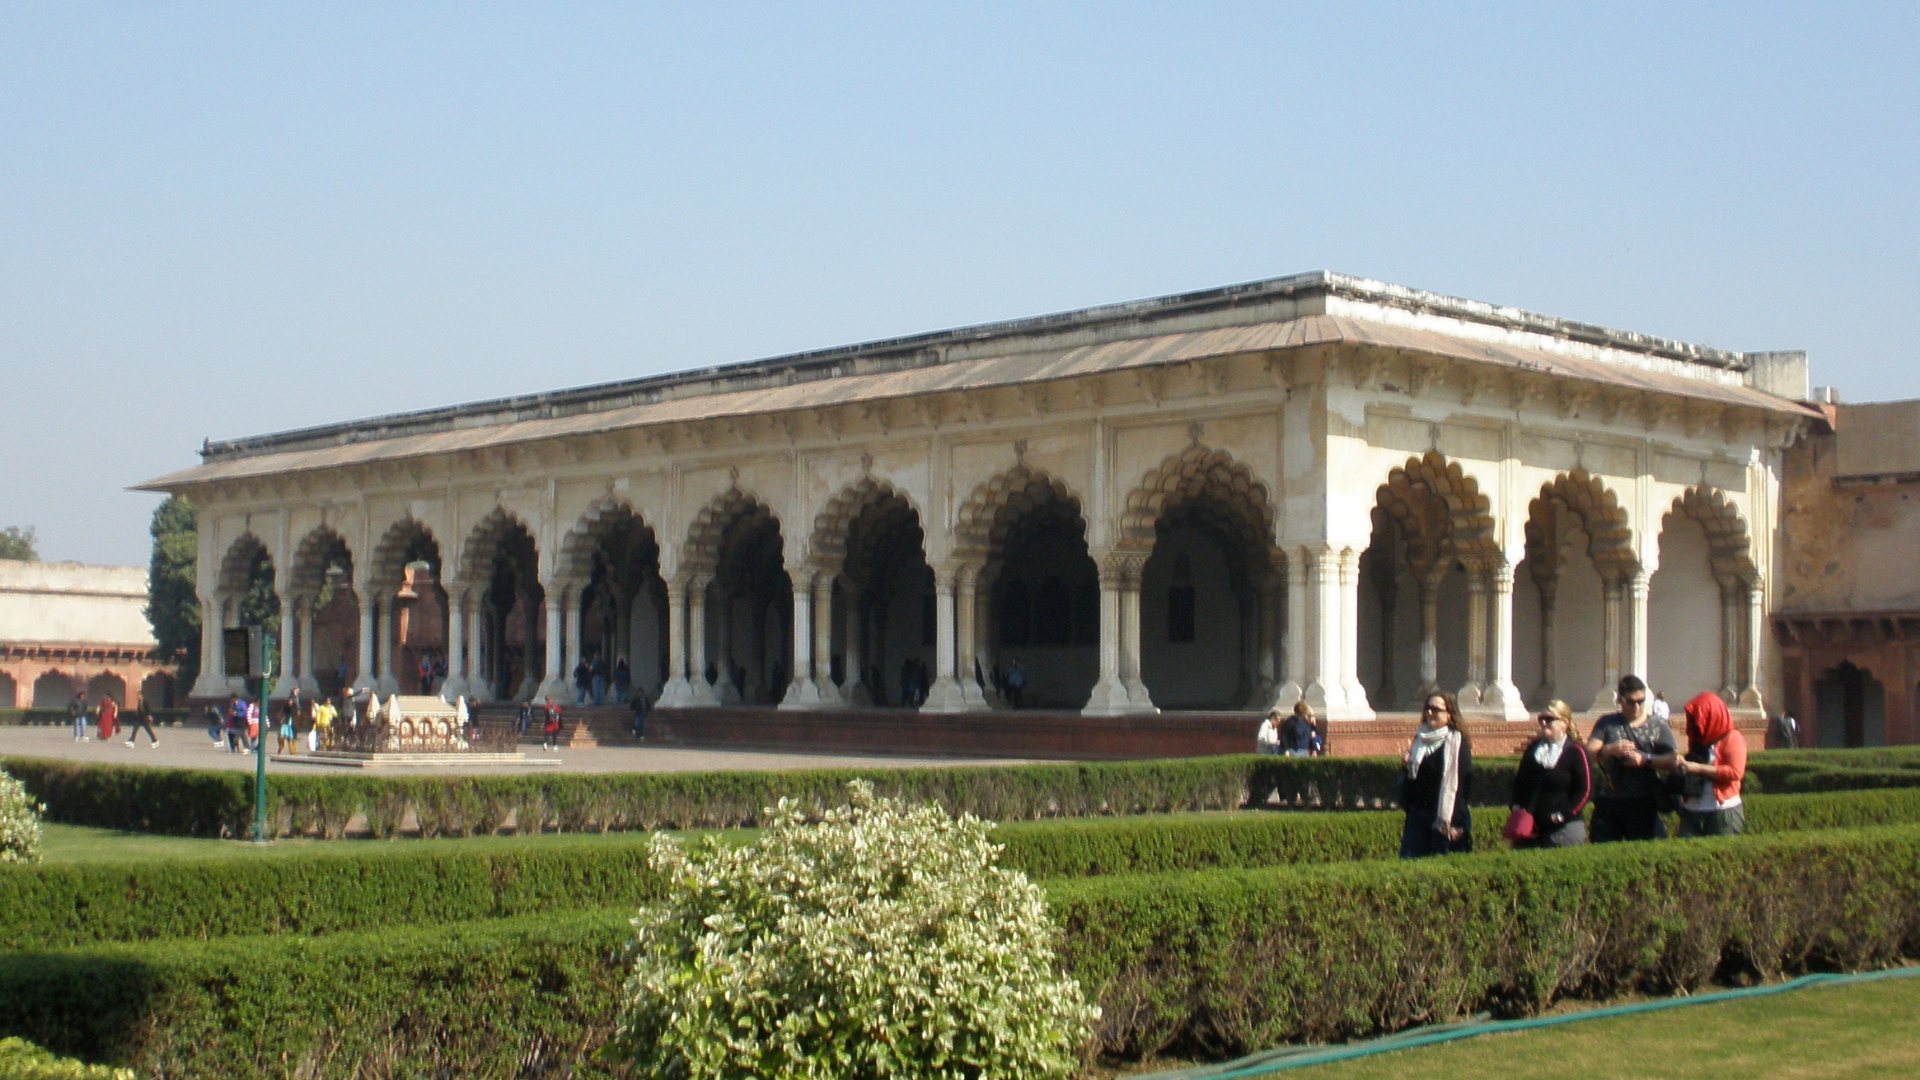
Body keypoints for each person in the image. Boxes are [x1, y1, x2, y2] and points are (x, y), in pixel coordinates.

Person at [1586, 674, 1678, 842]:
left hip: (1643, 800)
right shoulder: (1607, 723)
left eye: (1640, 701)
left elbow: (1672, 760)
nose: (1636, 706)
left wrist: (1645, 759)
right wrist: (1610, 749)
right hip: (1610, 800)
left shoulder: (1657, 725)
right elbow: (1589, 754)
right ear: (1620, 700)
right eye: (1630, 702)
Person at [1510, 700, 1593, 848]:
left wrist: (1562, 815)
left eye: (1549, 719)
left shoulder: (1576, 752)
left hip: (1563, 830)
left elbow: (1584, 790)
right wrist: (1515, 806)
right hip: (1530, 828)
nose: (1543, 723)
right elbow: (1519, 782)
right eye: (1541, 718)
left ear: (1564, 723)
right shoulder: (1533, 749)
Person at [1399, 692, 1473, 858]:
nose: (1430, 712)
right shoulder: (1419, 740)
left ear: (1449, 715)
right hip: (1418, 816)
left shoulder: (1457, 744)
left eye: (1436, 709)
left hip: (1445, 817)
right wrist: (1406, 765)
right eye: (1427, 708)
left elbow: (1461, 787)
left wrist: (1456, 823)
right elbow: (1413, 780)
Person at [1675, 692, 1747, 836]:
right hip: (1692, 808)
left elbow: (1735, 772)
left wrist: (1699, 768)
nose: (1695, 723)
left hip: (1722, 809)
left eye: (1698, 718)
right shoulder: (1697, 739)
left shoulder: (1732, 738)